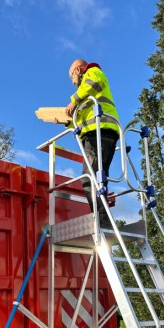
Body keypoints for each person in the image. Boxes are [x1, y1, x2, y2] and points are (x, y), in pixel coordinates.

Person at [63, 59, 120, 228]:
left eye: (71, 77)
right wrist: (65, 121)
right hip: (100, 132)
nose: (72, 82)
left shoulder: (92, 72)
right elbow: (80, 118)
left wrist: (74, 100)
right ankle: (102, 218)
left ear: (78, 70)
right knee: (98, 179)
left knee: (90, 179)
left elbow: (91, 83)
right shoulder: (86, 96)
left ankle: (102, 220)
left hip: (100, 131)